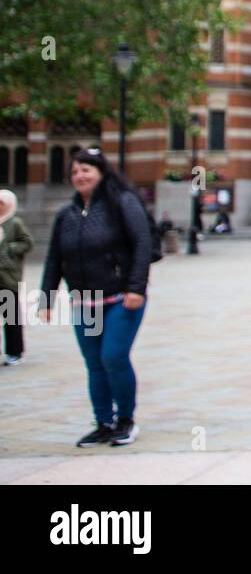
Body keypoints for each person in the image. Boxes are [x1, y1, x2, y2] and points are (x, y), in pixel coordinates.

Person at [39, 147, 151, 447]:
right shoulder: (67, 215)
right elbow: (54, 259)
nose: (80, 176)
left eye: (86, 169)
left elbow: (142, 243)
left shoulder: (122, 203)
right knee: (94, 363)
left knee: (113, 356)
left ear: (101, 173)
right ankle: (103, 422)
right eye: (75, 171)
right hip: (84, 302)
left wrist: (136, 287)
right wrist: (46, 299)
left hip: (121, 298)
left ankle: (125, 420)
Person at [0, 189, 34, 366]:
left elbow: (27, 243)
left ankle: (15, 352)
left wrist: (10, 248)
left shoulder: (15, 223)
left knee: (11, 317)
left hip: (8, 278)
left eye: (1, 203)